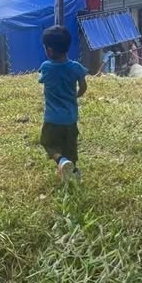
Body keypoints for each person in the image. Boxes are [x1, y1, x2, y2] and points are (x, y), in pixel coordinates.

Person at [39, 25, 88, 182]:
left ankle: (61, 161)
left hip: (52, 118)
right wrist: (76, 95)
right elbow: (83, 87)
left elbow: (43, 81)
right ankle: (73, 171)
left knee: (47, 143)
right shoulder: (75, 67)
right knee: (70, 148)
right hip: (70, 118)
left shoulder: (46, 67)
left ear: (50, 51)